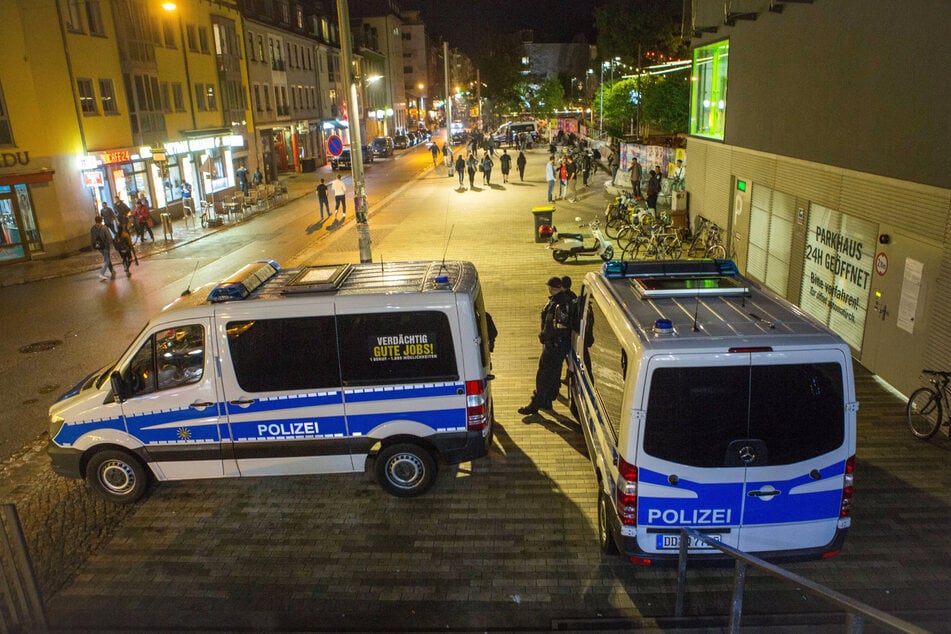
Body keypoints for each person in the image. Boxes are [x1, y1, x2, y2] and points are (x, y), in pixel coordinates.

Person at [518, 277, 573, 415]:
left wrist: (545, 336)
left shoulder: (560, 304)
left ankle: (535, 403)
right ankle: (547, 400)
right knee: (553, 374)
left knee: (543, 374)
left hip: (554, 345)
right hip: (557, 345)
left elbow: (558, 327)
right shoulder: (562, 300)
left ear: (553, 288)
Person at [90, 215, 114, 281]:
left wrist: (93, 246)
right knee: (107, 260)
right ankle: (101, 273)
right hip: (105, 245)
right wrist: (110, 243)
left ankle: (112, 271)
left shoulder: (92, 228)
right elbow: (109, 237)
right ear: (101, 220)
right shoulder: (104, 227)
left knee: (107, 258)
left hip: (98, 246)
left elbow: (92, 238)